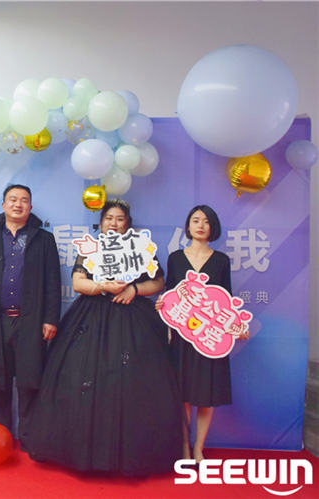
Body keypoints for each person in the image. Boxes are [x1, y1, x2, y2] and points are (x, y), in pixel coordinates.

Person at [22, 199, 181, 475]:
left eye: (119, 219)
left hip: (133, 317)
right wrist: (103, 286)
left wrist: (134, 290)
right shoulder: (91, 248)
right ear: (101, 223)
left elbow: (158, 282)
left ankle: (130, 455)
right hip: (91, 316)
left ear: (127, 224)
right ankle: (81, 451)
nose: (114, 223)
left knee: (134, 382)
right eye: (109, 218)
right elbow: (78, 282)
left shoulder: (142, 247)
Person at [0, 184, 61, 444]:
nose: (18, 204)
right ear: (3, 205)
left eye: (23, 200)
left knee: (29, 382)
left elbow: (53, 281)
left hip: (30, 321)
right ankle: (1, 439)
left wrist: (50, 319)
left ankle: (29, 438)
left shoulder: (44, 240)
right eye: (12, 199)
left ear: (30, 206)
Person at [156, 205, 247, 463]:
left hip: (211, 338)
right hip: (183, 336)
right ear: (188, 226)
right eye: (196, 220)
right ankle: (185, 446)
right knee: (183, 395)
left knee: (206, 396)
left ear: (212, 227)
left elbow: (227, 300)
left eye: (206, 221)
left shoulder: (220, 261)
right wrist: (162, 303)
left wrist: (237, 326)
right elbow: (171, 293)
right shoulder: (176, 258)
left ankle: (199, 448)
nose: (200, 225)